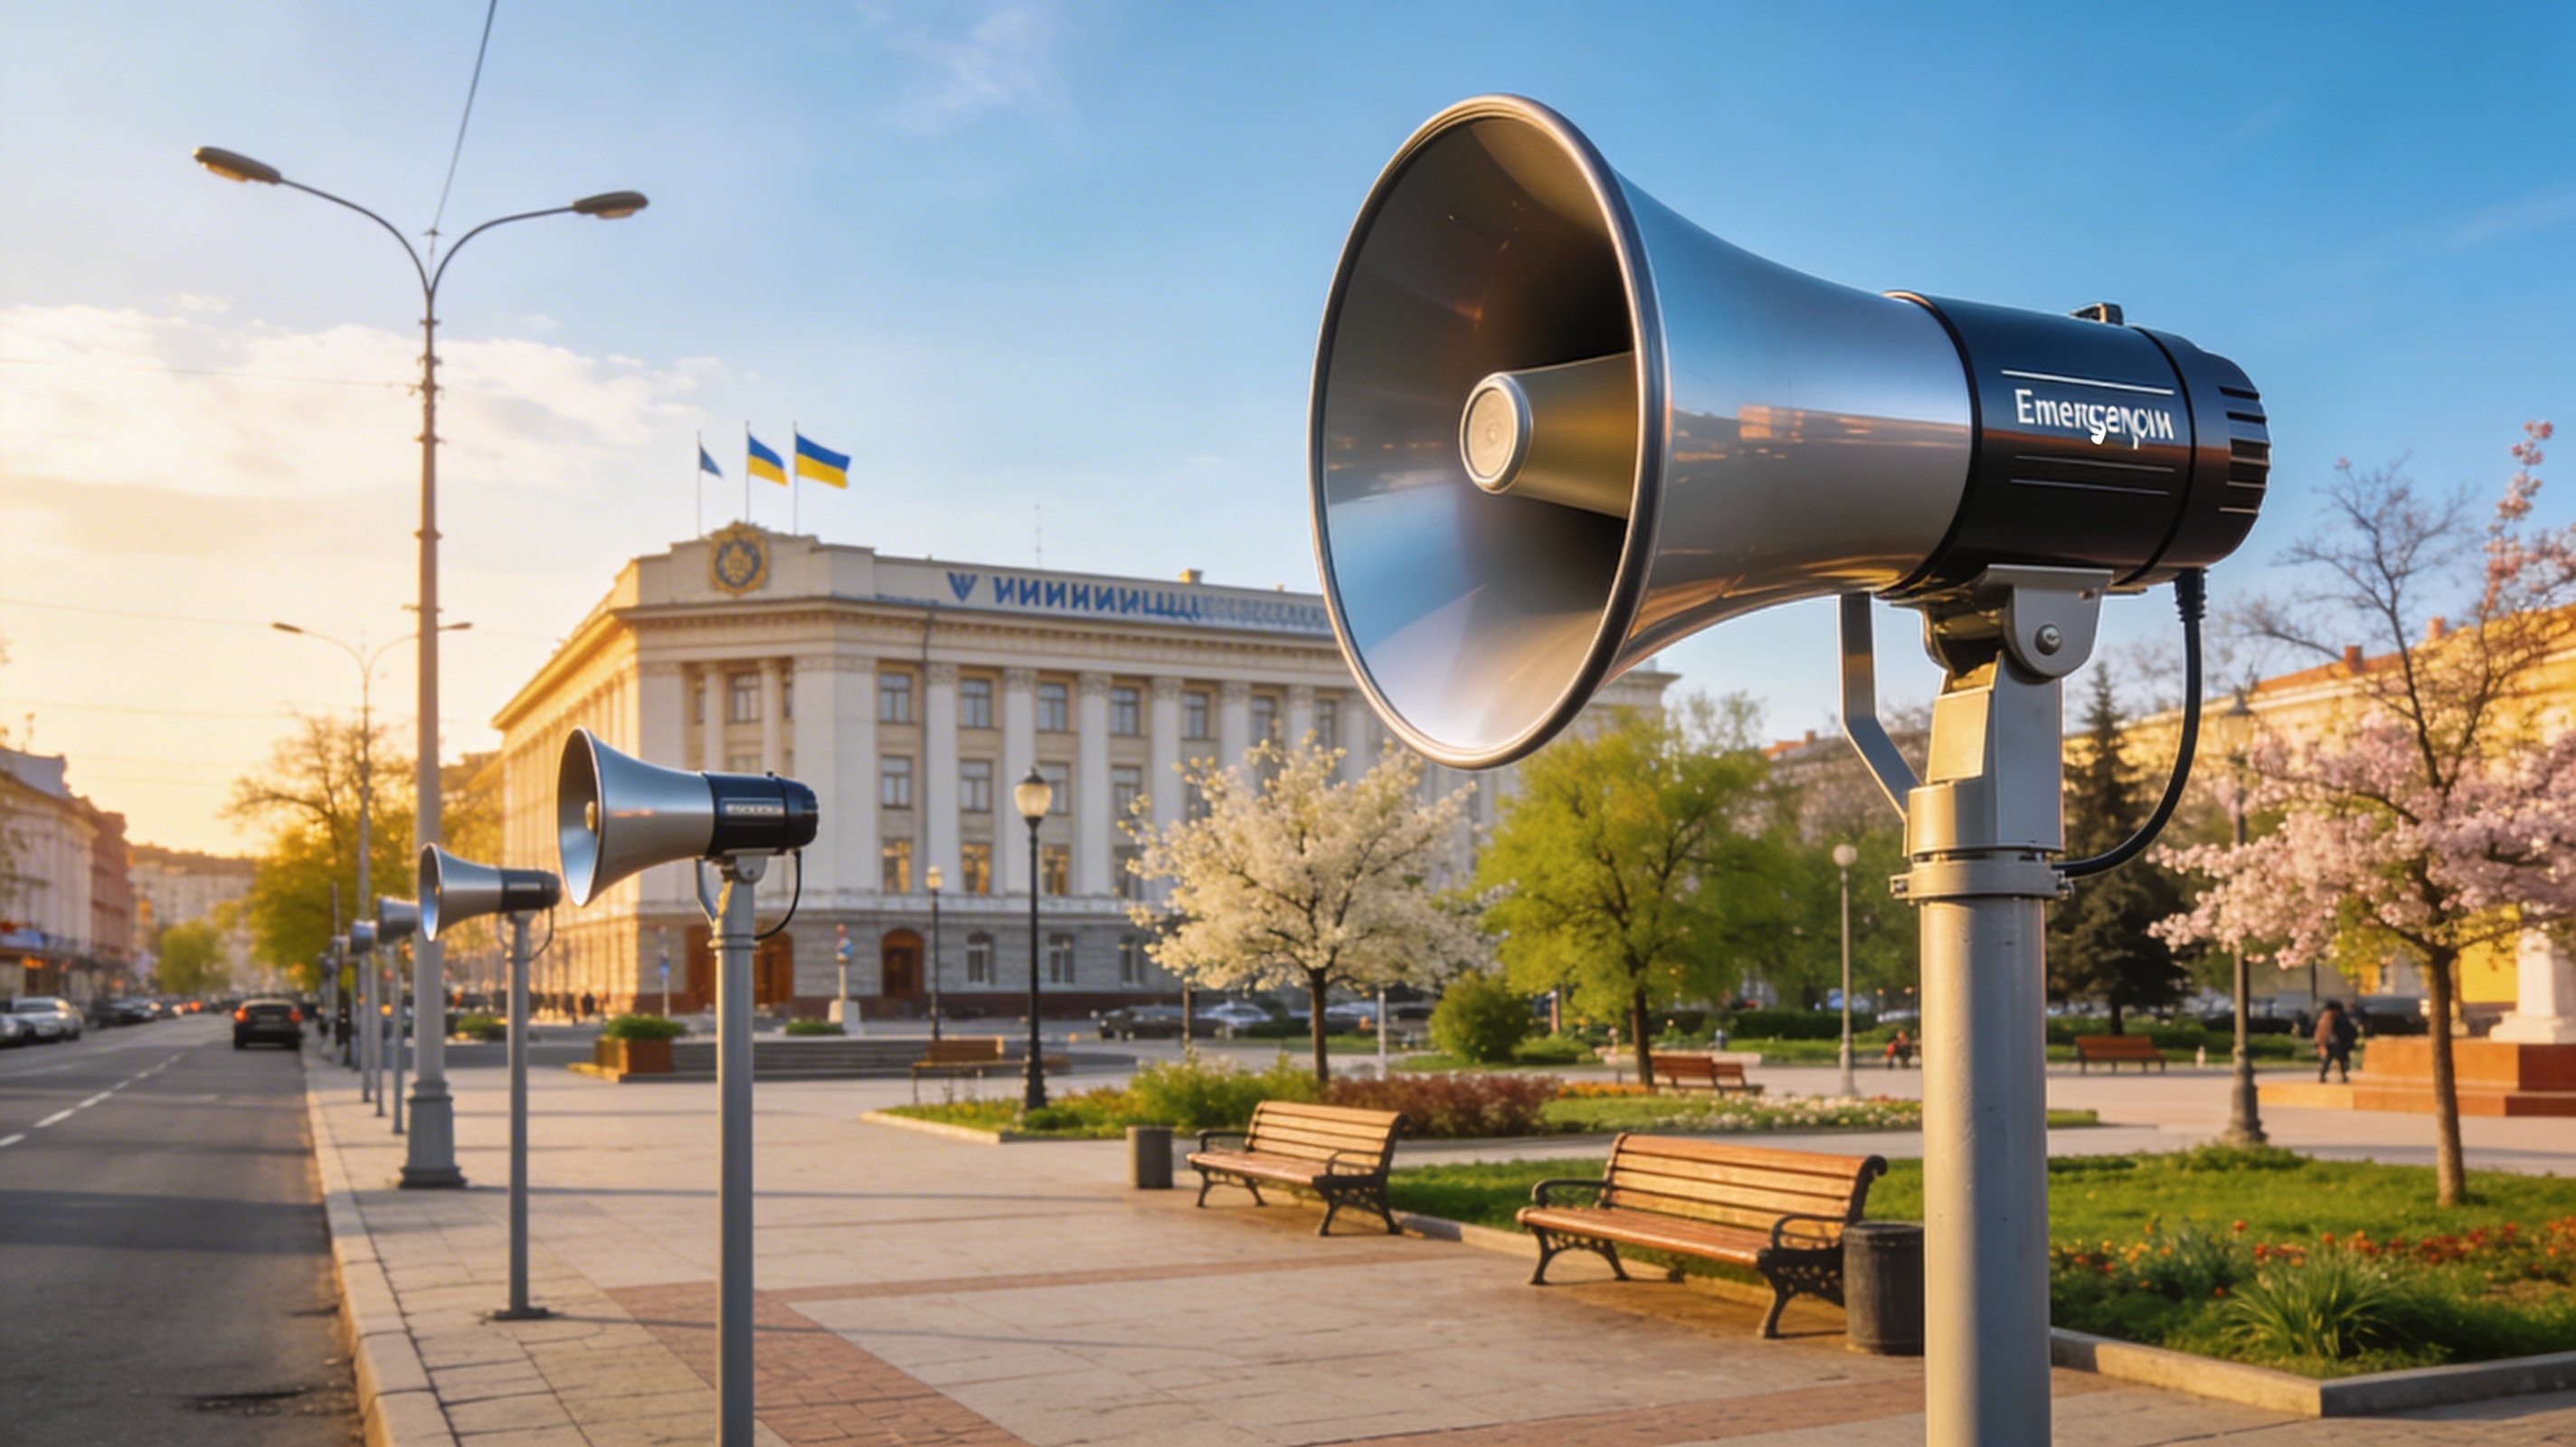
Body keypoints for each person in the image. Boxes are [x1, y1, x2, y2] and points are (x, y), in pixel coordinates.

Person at [2314, 998, 2357, 1083]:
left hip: (2332, 1042)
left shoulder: (2329, 1017)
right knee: (2335, 1059)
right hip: (2332, 1042)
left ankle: (2325, 1075)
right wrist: (2320, 1043)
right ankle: (2339, 1076)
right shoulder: (2328, 1018)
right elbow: (2323, 1032)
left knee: (2332, 1060)